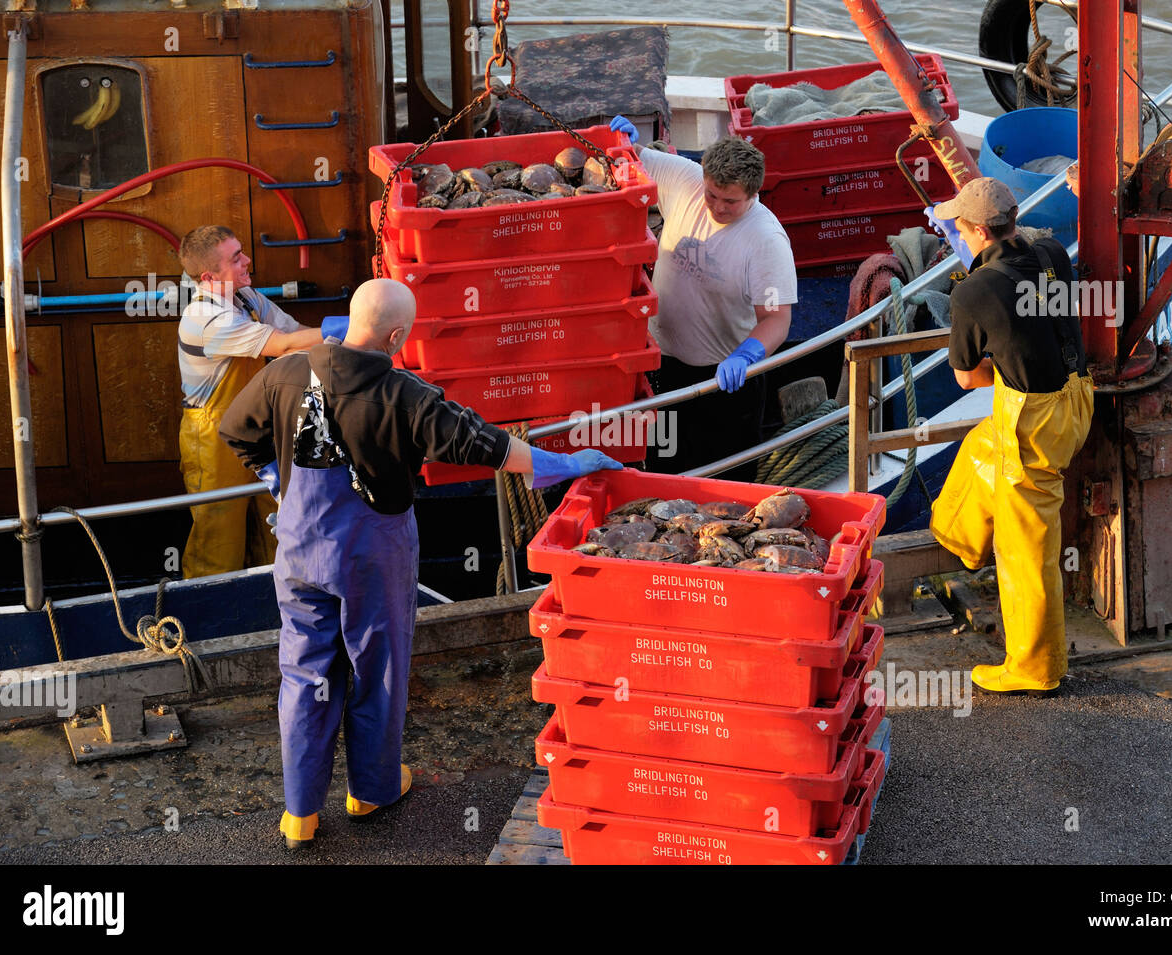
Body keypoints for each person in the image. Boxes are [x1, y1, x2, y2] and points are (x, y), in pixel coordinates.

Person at [219, 278, 620, 849]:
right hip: (371, 555)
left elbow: (236, 431)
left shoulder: (285, 371)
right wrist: (560, 463)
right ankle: (373, 790)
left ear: (347, 318)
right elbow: (487, 446)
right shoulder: (405, 394)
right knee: (377, 666)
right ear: (398, 336)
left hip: (299, 548)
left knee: (305, 674)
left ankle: (299, 813)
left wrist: (275, 479)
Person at [924, 177, 1095, 695]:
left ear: (976, 231)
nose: (955, 231)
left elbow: (968, 378)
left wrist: (976, 308)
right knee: (981, 446)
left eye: (958, 226)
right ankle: (960, 539)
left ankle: (1035, 668)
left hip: (1036, 423)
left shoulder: (973, 291)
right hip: (1077, 399)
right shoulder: (1050, 254)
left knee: (1029, 551)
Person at [610, 116, 797, 478]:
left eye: (731, 201)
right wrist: (625, 139)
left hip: (725, 382)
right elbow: (632, 157)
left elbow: (777, 318)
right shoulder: (684, 178)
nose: (718, 207)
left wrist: (746, 355)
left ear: (754, 195)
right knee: (661, 467)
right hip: (660, 367)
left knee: (726, 477)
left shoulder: (767, 241)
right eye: (712, 194)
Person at [176, 225, 345, 578]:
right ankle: (210, 625)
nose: (247, 261)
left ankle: (278, 605)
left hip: (257, 427)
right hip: (213, 441)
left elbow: (294, 336)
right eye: (236, 258)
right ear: (209, 276)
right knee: (218, 540)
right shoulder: (205, 319)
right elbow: (281, 346)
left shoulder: (248, 298)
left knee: (276, 523)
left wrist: (342, 342)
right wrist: (358, 327)